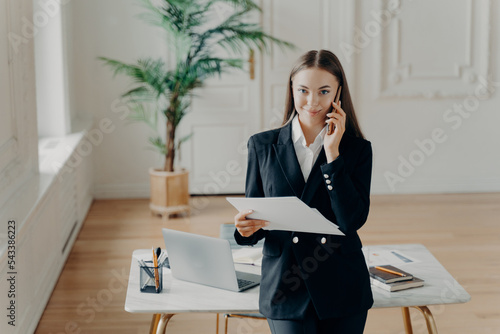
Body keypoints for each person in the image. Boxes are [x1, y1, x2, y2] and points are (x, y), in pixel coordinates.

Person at [234, 49, 373, 334]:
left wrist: (333, 155)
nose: (312, 102)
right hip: (285, 283)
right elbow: (255, 219)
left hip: (342, 282)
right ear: (292, 90)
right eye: (303, 90)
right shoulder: (262, 146)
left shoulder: (357, 149)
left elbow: (351, 221)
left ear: (338, 93)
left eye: (324, 91)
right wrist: (245, 229)